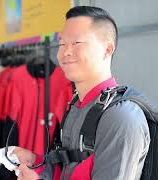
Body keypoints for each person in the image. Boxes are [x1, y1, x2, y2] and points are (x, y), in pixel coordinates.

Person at [13, 6, 150, 180]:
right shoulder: (77, 105)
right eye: (62, 44)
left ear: (107, 49)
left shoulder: (120, 117)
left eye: (76, 43)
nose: (66, 52)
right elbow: (67, 170)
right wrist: (36, 163)